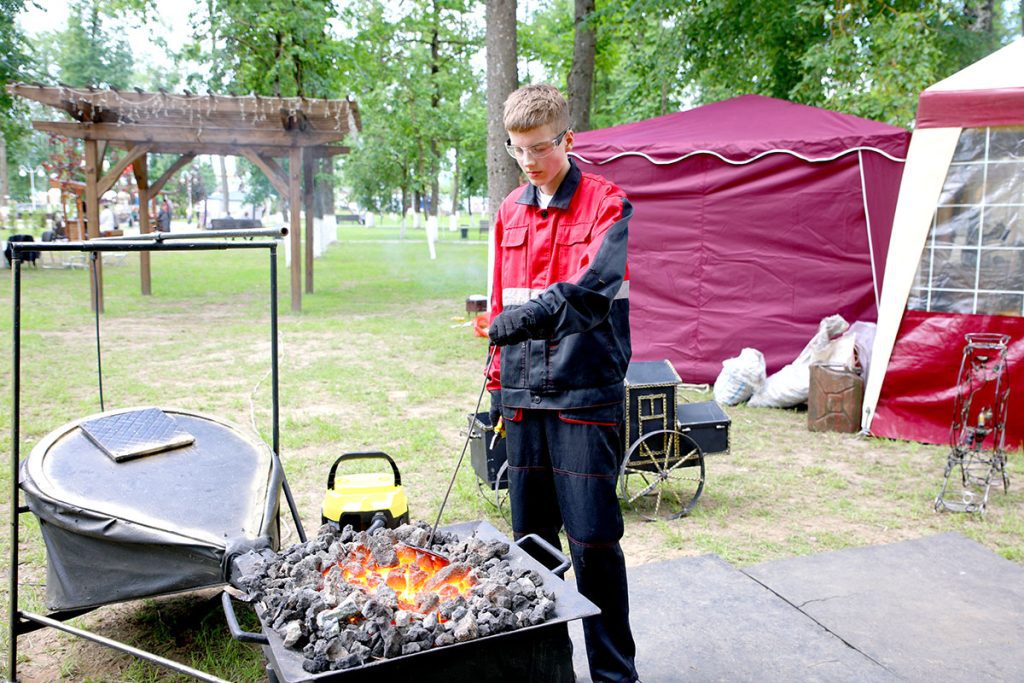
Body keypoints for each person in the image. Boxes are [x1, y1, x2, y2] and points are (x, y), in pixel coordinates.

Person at [486, 84, 638, 683]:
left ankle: (615, 677)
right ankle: (548, 673)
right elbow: (501, 299)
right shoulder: (508, 212)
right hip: (523, 400)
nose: (527, 161)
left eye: (539, 148)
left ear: (567, 139)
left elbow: (595, 290)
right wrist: (498, 385)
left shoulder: (609, 205)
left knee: (594, 544)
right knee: (530, 547)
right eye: (516, 149)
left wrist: (529, 316)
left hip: (584, 394)